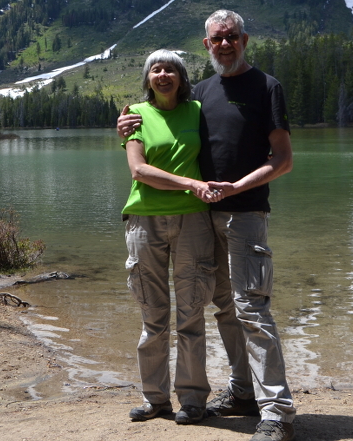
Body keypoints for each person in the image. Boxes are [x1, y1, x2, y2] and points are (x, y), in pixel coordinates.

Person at [118, 10, 296, 441]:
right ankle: (241, 392)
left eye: (231, 37)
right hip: (203, 217)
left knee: (252, 307)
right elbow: (162, 131)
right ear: (206, 45)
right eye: (216, 39)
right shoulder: (199, 92)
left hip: (245, 212)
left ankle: (277, 411)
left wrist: (237, 187)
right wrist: (123, 126)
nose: (224, 44)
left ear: (244, 39)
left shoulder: (266, 87)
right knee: (224, 308)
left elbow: (282, 160)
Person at [120, 49, 221, 426]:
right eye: (156, 70)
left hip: (193, 221)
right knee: (153, 316)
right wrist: (192, 184)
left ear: (181, 77)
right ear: (148, 79)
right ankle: (155, 399)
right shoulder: (135, 115)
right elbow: (139, 170)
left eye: (170, 69)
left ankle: (193, 400)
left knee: (192, 311)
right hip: (144, 220)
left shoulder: (197, 111)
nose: (163, 75)